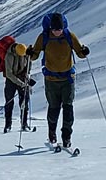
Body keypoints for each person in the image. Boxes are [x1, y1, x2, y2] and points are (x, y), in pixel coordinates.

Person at [26, 12, 90, 148]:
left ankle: (66, 136)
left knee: (68, 108)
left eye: (59, 29)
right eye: (55, 29)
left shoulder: (69, 36)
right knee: (54, 108)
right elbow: (34, 55)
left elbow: (80, 53)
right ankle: (52, 133)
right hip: (51, 79)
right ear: (50, 28)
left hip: (68, 78)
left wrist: (84, 51)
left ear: (63, 27)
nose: (57, 32)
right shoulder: (44, 37)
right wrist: (30, 53)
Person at [2, 42, 36, 133]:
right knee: (9, 102)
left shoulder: (25, 53)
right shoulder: (9, 56)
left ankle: (24, 124)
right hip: (11, 80)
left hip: (22, 78)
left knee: (24, 101)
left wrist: (27, 76)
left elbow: (28, 65)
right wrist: (20, 83)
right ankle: (8, 125)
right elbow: (9, 74)